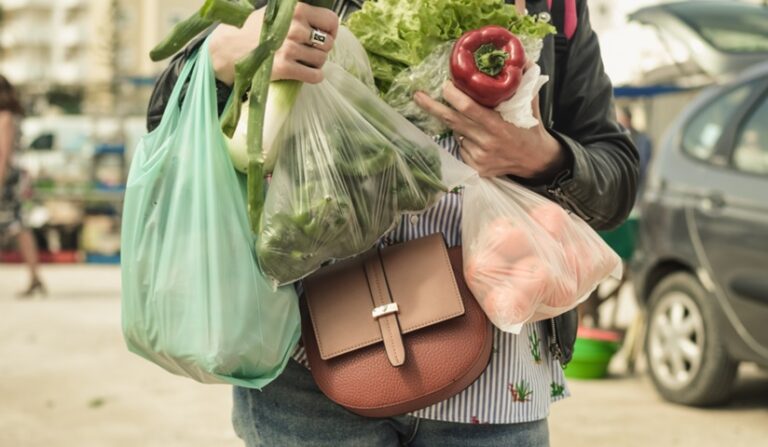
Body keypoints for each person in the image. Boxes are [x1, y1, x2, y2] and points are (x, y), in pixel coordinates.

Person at [147, 0, 638, 445]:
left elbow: (616, 173)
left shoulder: (552, 7)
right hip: (308, 366)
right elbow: (165, 114)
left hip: (496, 377)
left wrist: (543, 157)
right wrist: (222, 57)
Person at [0, 75, 46, 298]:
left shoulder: (6, 117)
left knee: (18, 226)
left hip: (6, 178)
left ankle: (35, 277)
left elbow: (3, 154)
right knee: (19, 226)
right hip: (13, 177)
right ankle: (35, 278)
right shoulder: (12, 115)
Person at [617, 107, 652, 198]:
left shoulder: (641, 138)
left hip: (636, 181)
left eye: (622, 119)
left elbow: (643, 163)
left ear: (628, 119)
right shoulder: (620, 136)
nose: (620, 122)